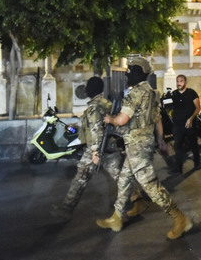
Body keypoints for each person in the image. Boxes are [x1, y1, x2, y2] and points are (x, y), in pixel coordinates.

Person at [97, 57, 192, 240]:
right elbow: (157, 118)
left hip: (137, 146)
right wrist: (161, 141)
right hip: (144, 143)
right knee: (125, 179)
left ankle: (180, 218)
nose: (127, 73)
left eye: (130, 70)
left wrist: (110, 119)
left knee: (150, 185)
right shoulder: (153, 93)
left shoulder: (134, 94)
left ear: (138, 72)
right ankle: (117, 217)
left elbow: (122, 120)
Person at [51, 76, 122, 221]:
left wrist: (96, 152)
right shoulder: (104, 103)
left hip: (100, 148)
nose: (86, 90)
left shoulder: (94, 107)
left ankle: (137, 199)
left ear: (92, 89)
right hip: (104, 147)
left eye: (88, 87)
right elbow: (94, 125)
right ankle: (66, 208)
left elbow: (97, 130)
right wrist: (77, 126)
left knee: (119, 178)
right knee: (81, 177)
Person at [169, 74, 201, 174]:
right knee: (177, 146)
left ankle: (197, 163)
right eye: (177, 81)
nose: (179, 83)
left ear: (186, 82)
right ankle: (178, 168)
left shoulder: (192, 93)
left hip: (190, 125)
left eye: (181, 81)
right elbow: (169, 107)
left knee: (193, 144)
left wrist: (191, 119)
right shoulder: (174, 94)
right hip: (178, 125)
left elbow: (198, 108)